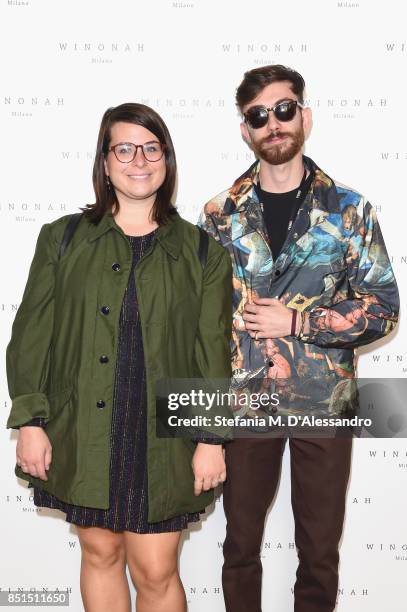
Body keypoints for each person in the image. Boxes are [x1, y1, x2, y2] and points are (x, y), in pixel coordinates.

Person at [6, 103, 232, 612]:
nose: (138, 160)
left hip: (164, 435)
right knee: (100, 550)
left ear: (167, 161)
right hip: (82, 424)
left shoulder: (202, 252)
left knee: (156, 569)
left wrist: (212, 439)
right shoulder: (61, 238)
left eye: (151, 148)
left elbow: (212, 352)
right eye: (124, 148)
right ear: (105, 162)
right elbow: (30, 337)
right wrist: (32, 422)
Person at [198, 65, 399, 612]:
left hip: (324, 403)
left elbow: (384, 310)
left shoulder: (349, 209)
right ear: (246, 130)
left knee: (319, 549)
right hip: (246, 402)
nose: (273, 124)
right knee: (240, 544)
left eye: (284, 109)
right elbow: (200, 322)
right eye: (258, 116)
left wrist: (301, 323)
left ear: (304, 116)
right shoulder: (219, 214)